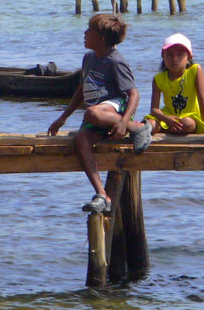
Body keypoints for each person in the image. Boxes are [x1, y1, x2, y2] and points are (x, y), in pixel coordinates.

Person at [47, 13, 152, 212]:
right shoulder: (88, 58)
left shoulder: (115, 61)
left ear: (101, 39)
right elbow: (81, 90)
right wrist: (63, 117)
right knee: (80, 139)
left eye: (89, 31)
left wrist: (124, 122)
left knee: (92, 113)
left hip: (114, 109)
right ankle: (102, 194)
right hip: (97, 116)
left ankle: (137, 128)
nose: (85, 33)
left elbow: (134, 94)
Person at [145, 33, 204, 135]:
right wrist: (166, 118)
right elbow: (154, 109)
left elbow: (202, 99)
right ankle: (162, 129)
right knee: (150, 123)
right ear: (163, 56)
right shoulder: (158, 78)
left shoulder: (195, 70)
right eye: (169, 54)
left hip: (189, 117)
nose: (174, 59)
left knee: (188, 124)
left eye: (180, 54)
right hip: (167, 117)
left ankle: (169, 129)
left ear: (189, 57)